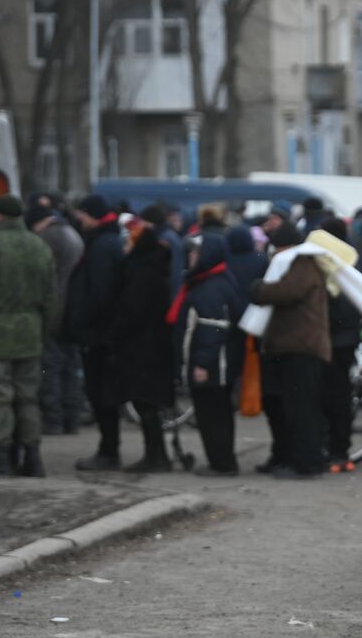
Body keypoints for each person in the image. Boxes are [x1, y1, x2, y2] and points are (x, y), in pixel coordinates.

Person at [0, 195, 58, 476]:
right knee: (27, 397)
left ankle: (0, 456)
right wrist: (43, 331)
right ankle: (33, 458)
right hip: (30, 333)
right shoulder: (39, 246)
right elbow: (50, 298)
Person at [249, 223, 330, 479]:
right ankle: (294, 457)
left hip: (302, 347)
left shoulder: (302, 263)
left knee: (302, 409)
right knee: (294, 407)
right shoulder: (299, 262)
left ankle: (306, 462)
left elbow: (286, 291)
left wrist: (258, 290)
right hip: (294, 346)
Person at [169, 232, 246, 476]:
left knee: (213, 415)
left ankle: (221, 463)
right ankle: (222, 460)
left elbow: (212, 328)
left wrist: (202, 364)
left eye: (196, 252)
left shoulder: (210, 286)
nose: (191, 256)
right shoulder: (213, 281)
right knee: (215, 413)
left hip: (213, 366)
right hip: (218, 364)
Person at [106, 212, 176, 473]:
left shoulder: (141, 271)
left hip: (141, 346)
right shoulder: (155, 266)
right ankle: (157, 455)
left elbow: (131, 310)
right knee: (148, 402)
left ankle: (155, 456)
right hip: (154, 344)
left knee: (144, 401)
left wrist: (114, 332)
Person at [66, 195, 131, 471]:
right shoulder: (106, 241)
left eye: (81, 214)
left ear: (91, 215)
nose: (78, 219)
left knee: (102, 395)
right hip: (103, 334)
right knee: (103, 395)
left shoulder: (101, 245)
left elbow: (100, 293)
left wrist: (84, 321)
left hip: (99, 336)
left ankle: (108, 452)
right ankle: (108, 450)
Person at [26, 200, 85, 436]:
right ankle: (73, 417)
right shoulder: (71, 233)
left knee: (50, 367)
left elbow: (42, 278)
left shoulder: (47, 238)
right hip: (73, 311)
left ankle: (54, 420)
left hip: (55, 312)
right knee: (71, 366)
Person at [320, 218, 362, 474]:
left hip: (333, 340)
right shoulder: (352, 258)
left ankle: (333, 450)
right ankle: (341, 451)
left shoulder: (329, 262)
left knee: (329, 398)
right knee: (342, 397)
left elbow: (334, 305)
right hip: (348, 339)